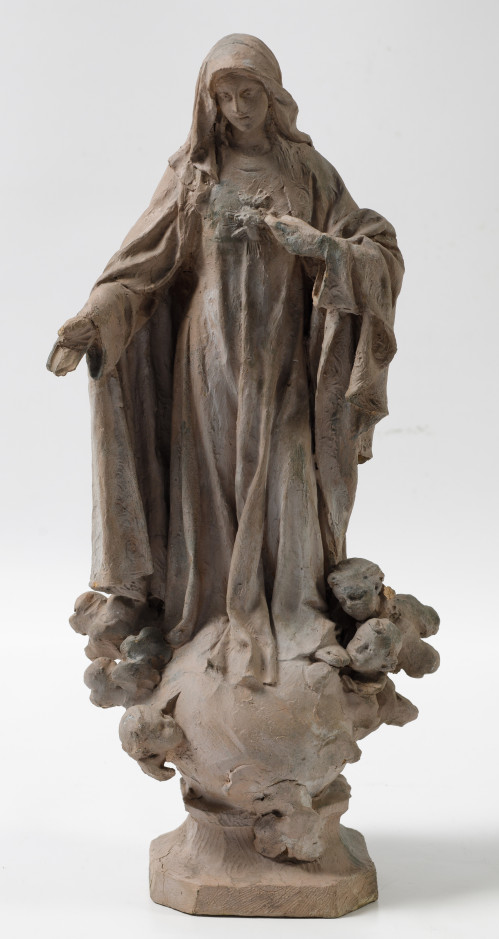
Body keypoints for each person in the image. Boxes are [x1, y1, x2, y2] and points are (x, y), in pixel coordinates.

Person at [47, 34, 404, 686]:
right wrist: (96, 317)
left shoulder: (308, 172)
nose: (238, 107)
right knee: (209, 491)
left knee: (289, 479)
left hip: (283, 361)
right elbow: (141, 267)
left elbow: (376, 247)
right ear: (207, 102)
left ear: (273, 94)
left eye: (250, 93)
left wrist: (323, 247)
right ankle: (207, 623)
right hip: (207, 364)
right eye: (226, 96)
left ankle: (296, 618)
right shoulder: (194, 174)